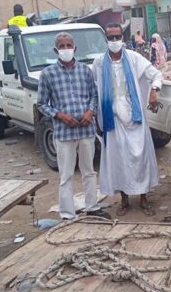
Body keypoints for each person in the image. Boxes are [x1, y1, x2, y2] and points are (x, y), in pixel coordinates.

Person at [92, 23, 163, 216]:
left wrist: (154, 91)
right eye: (111, 37)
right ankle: (124, 200)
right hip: (112, 118)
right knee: (118, 160)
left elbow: (156, 74)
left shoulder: (133, 58)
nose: (114, 40)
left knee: (140, 157)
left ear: (122, 38)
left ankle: (143, 198)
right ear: (106, 39)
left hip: (134, 116)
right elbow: (94, 89)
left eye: (117, 36)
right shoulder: (98, 63)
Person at [37, 32, 108, 220]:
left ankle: (92, 207)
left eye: (69, 45)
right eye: (62, 46)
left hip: (86, 129)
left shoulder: (85, 70)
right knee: (66, 175)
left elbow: (94, 95)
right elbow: (41, 104)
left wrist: (90, 112)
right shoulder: (48, 74)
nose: (66, 49)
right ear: (56, 50)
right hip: (63, 132)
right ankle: (68, 214)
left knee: (89, 171)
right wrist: (60, 115)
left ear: (75, 48)